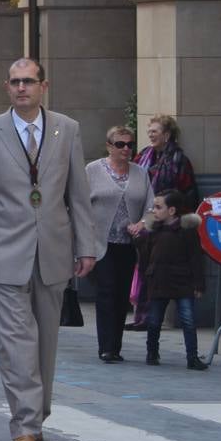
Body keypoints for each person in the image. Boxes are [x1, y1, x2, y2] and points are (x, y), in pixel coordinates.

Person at [0, 57, 98, 441]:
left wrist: (86, 246)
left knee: (46, 342)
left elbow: (78, 195)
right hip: (3, 251)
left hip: (53, 250)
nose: (22, 88)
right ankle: (23, 424)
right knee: (17, 340)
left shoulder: (66, 129)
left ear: (43, 86)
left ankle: (38, 415)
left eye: (29, 82)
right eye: (15, 82)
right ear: (7, 88)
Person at [86, 125, 152, 363]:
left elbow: (151, 206)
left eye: (129, 144)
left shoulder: (140, 173)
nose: (126, 149)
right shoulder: (92, 170)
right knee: (106, 291)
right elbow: (79, 205)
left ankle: (115, 347)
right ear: (109, 146)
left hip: (128, 244)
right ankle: (105, 346)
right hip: (100, 243)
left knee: (122, 294)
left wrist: (142, 223)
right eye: (120, 144)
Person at [128, 114, 198, 329]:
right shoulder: (143, 156)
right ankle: (142, 315)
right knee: (143, 267)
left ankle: (151, 317)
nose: (150, 134)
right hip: (143, 217)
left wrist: (167, 216)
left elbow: (187, 193)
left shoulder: (179, 160)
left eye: (155, 131)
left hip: (167, 223)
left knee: (155, 268)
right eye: (149, 130)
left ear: (167, 135)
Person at [141, 189, 207, 370]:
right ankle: (152, 353)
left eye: (158, 207)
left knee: (188, 319)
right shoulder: (154, 231)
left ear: (172, 210)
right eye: (154, 207)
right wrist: (146, 276)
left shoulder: (187, 231)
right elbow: (146, 256)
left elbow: (196, 258)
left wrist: (198, 283)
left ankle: (192, 357)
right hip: (158, 279)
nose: (154, 210)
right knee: (154, 320)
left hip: (182, 280)